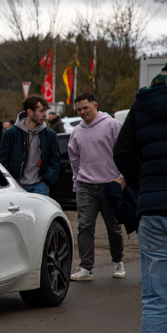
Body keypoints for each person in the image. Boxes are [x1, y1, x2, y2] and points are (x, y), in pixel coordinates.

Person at [113, 42, 167, 333]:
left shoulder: (144, 102)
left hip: (153, 211)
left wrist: (143, 188)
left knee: (156, 300)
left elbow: (122, 153)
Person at [69, 92, 125, 281]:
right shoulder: (76, 131)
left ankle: (118, 261)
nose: (83, 112)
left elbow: (123, 150)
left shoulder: (111, 125)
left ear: (95, 105)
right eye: (79, 109)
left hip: (110, 184)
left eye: (86, 107)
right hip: (85, 184)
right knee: (84, 226)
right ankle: (86, 268)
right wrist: (77, 181)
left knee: (113, 227)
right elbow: (74, 158)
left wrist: (122, 178)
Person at [0, 94, 60, 196]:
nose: (45, 115)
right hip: (17, 187)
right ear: (29, 112)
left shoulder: (50, 135)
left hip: (40, 186)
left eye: (45, 111)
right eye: (41, 111)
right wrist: (11, 181)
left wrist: (46, 181)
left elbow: (55, 160)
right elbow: (2, 160)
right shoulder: (11, 134)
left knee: (41, 212)